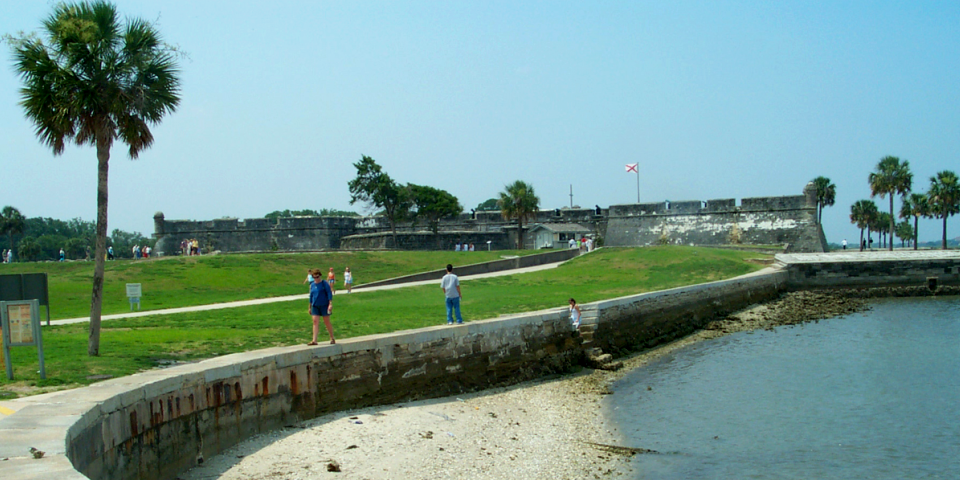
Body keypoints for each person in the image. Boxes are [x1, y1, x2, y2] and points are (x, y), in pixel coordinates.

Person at [307, 268, 335, 345]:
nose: (316, 279)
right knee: (315, 321)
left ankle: (332, 337)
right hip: (315, 305)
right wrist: (309, 307)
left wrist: (330, 304)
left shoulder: (324, 283)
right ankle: (314, 340)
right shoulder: (312, 285)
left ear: (320, 276)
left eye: (317, 277)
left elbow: (329, 293)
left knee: (326, 321)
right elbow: (311, 296)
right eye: (314, 277)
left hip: (324, 305)